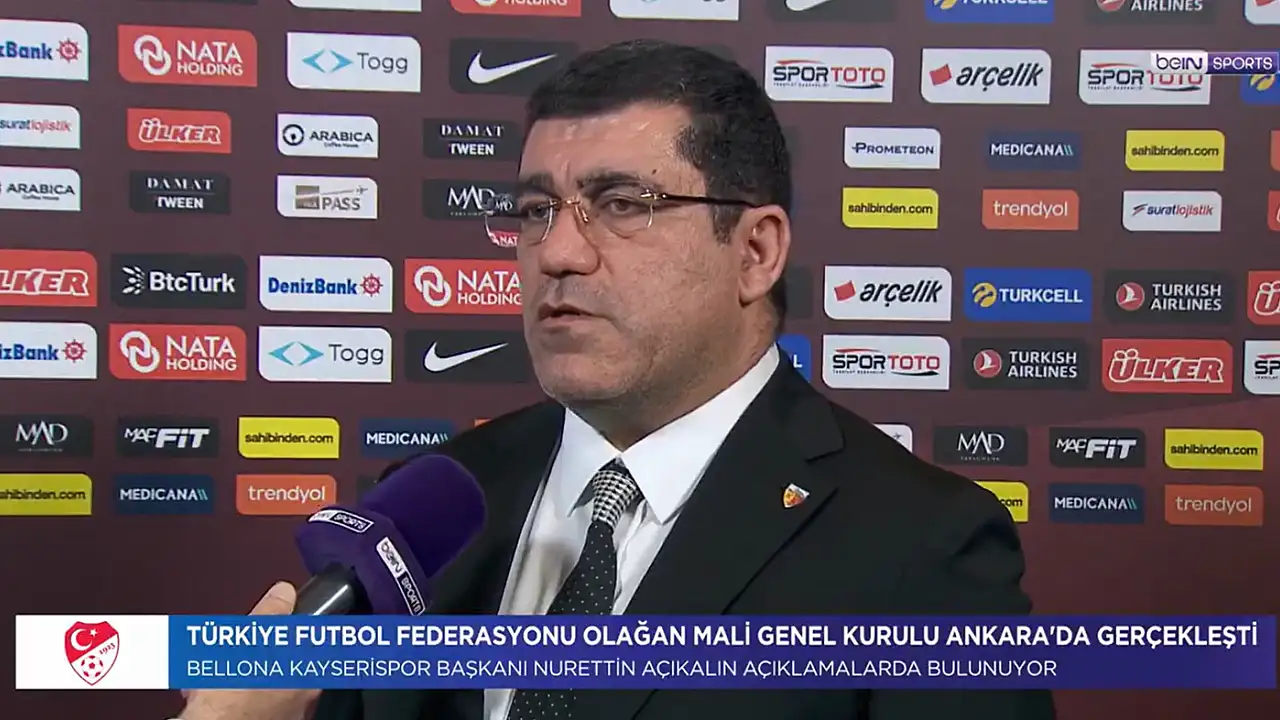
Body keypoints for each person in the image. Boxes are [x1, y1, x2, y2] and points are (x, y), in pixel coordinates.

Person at [179, 39, 1055, 720]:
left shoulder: (918, 545)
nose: (558, 251)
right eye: (536, 210)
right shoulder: (433, 506)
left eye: (624, 204)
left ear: (755, 252)